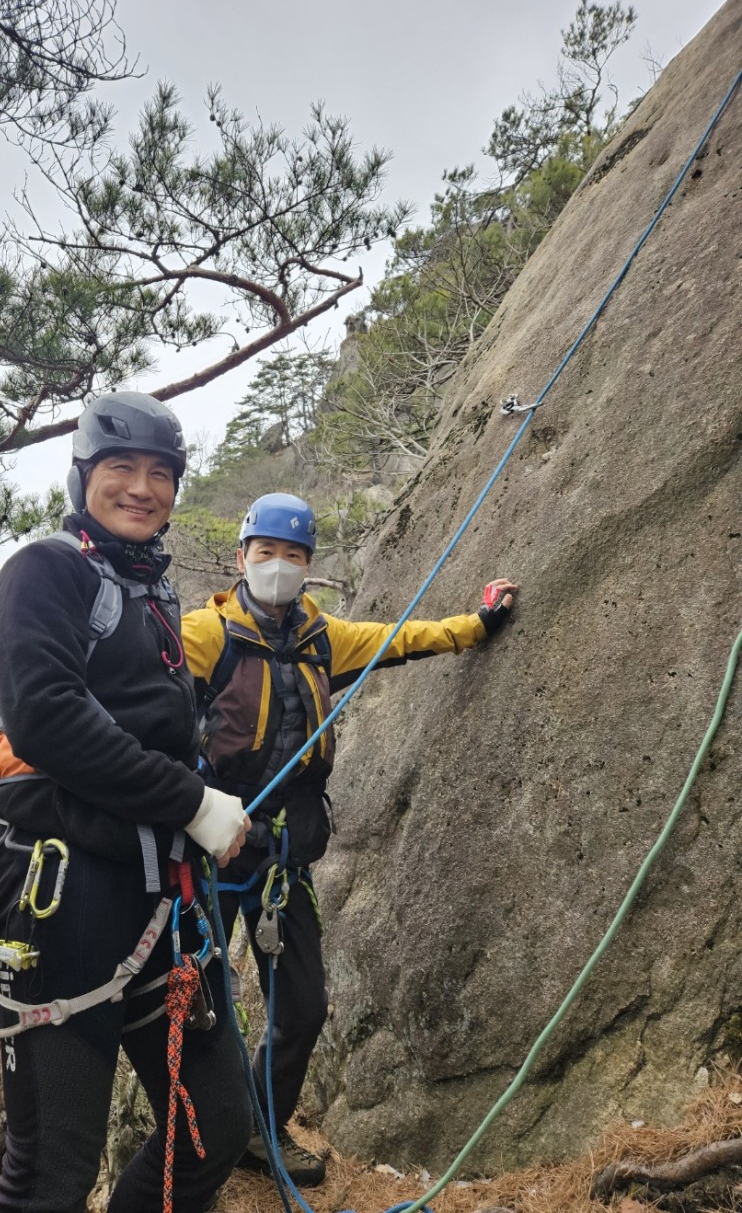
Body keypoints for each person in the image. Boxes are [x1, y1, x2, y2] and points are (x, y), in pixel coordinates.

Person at [181, 492, 518, 1188]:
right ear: (241, 558)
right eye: (266, 553)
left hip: (281, 858)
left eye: (294, 556)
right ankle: (197, 1148)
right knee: (199, 1016)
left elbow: (404, 638)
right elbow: (135, 684)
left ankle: (258, 1131)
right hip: (210, 855)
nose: (279, 566)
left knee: (302, 1009)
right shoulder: (206, 635)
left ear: (309, 566)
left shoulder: (322, 638)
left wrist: (478, 623)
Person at [0, 391, 253, 1213]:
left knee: (213, 1126)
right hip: (61, 902)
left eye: (160, 473)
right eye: (121, 469)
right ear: (83, 476)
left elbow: (158, 732)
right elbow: (47, 718)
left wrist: (220, 819)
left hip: (160, 896)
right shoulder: (45, 570)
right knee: (49, 1175)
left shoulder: (148, 590)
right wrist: (193, 801)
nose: (142, 488)